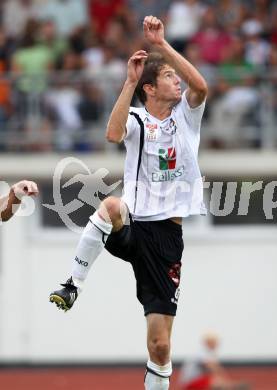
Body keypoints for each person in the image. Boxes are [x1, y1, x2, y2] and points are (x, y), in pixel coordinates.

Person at [49, 15, 207, 390]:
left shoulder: (186, 117)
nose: (178, 81)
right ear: (150, 88)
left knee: (161, 345)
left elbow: (200, 85)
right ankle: (72, 284)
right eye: (169, 76)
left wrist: (162, 46)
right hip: (135, 226)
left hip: (167, 240)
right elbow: (112, 133)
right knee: (111, 206)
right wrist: (129, 83)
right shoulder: (136, 117)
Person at [179, 332, 249, 390]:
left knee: (216, 380)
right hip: (190, 383)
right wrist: (229, 384)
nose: (217, 344)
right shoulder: (203, 352)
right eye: (215, 342)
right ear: (209, 342)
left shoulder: (205, 352)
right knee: (216, 382)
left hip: (193, 381)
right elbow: (214, 368)